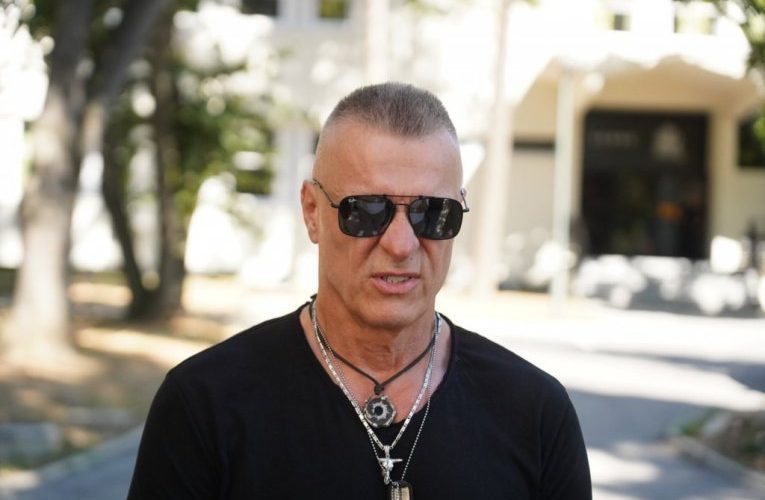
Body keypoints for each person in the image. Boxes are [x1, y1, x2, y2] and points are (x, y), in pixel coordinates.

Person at [127, 82, 591, 499]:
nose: (401, 243)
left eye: (433, 213)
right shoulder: (205, 403)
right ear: (312, 212)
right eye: (367, 211)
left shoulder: (534, 413)